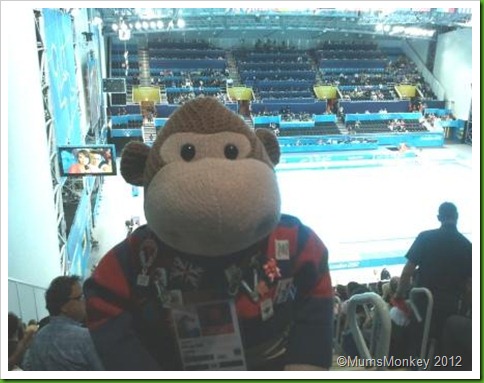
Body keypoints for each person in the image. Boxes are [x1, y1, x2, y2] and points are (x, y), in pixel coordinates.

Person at [394, 202, 472, 358]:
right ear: (457, 217)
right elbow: (470, 285)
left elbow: (407, 272)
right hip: (452, 306)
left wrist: (399, 295)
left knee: (418, 341)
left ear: (438, 217)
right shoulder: (467, 245)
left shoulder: (425, 237)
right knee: (446, 345)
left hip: (423, 304)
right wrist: (466, 310)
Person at [22, 275, 104, 371]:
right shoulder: (85, 338)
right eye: (80, 297)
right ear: (63, 307)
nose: (85, 301)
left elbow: (27, 367)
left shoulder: (38, 337)